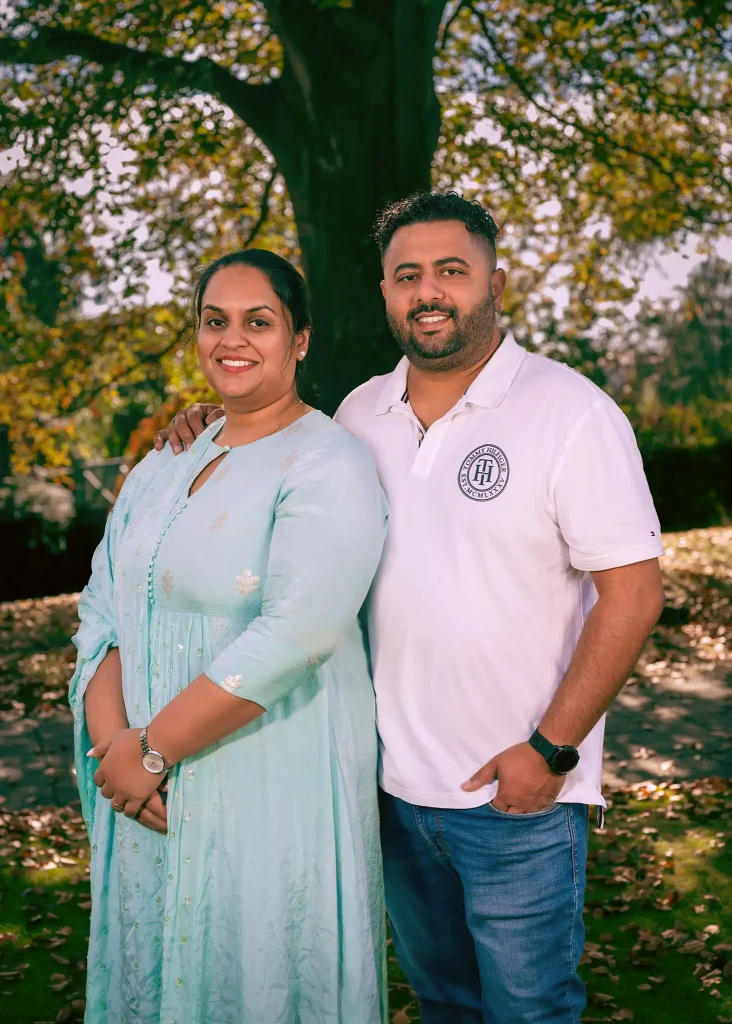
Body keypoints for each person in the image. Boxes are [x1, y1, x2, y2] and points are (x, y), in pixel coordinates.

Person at [157, 193, 665, 1024]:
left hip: (516, 799)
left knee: (530, 1011)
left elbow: (635, 593)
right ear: (386, 292)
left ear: (496, 283)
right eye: (407, 276)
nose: (428, 292)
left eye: (451, 271)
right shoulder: (359, 415)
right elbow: (276, 457)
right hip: (386, 790)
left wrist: (550, 748)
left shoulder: (570, 413)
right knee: (444, 1005)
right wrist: (212, 421)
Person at [70, 248, 389, 1024]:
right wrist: (116, 753)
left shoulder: (327, 461)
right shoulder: (162, 463)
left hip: (268, 787)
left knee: (259, 981)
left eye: (259, 321)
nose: (232, 339)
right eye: (216, 321)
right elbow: (103, 608)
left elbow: (299, 632)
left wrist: (153, 751)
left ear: (299, 340)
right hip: (145, 800)